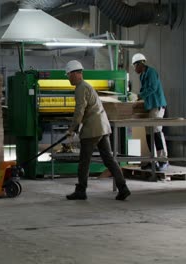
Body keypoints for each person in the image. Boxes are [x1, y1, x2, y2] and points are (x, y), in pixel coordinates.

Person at [64, 60, 131, 201]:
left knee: (84, 161)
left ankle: (81, 191)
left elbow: (79, 110)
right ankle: (123, 188)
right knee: (109, 159)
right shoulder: (86, 86)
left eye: (69, 75)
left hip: (92, 129)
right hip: (102, 127)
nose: (68, 78)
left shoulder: (81, 88)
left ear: (76, 74)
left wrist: (72, 128)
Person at [132, 53, 169, 172]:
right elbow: (144, 90)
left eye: (134, 66)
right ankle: (153, 160)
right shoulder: (143, 75)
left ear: (140, 64)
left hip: (157, 105)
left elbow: (152, 88)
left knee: (156, 131)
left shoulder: (151, 72)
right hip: (150, 107)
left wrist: (139, 96)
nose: (134, 69)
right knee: (149, 133)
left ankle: (163, 160)